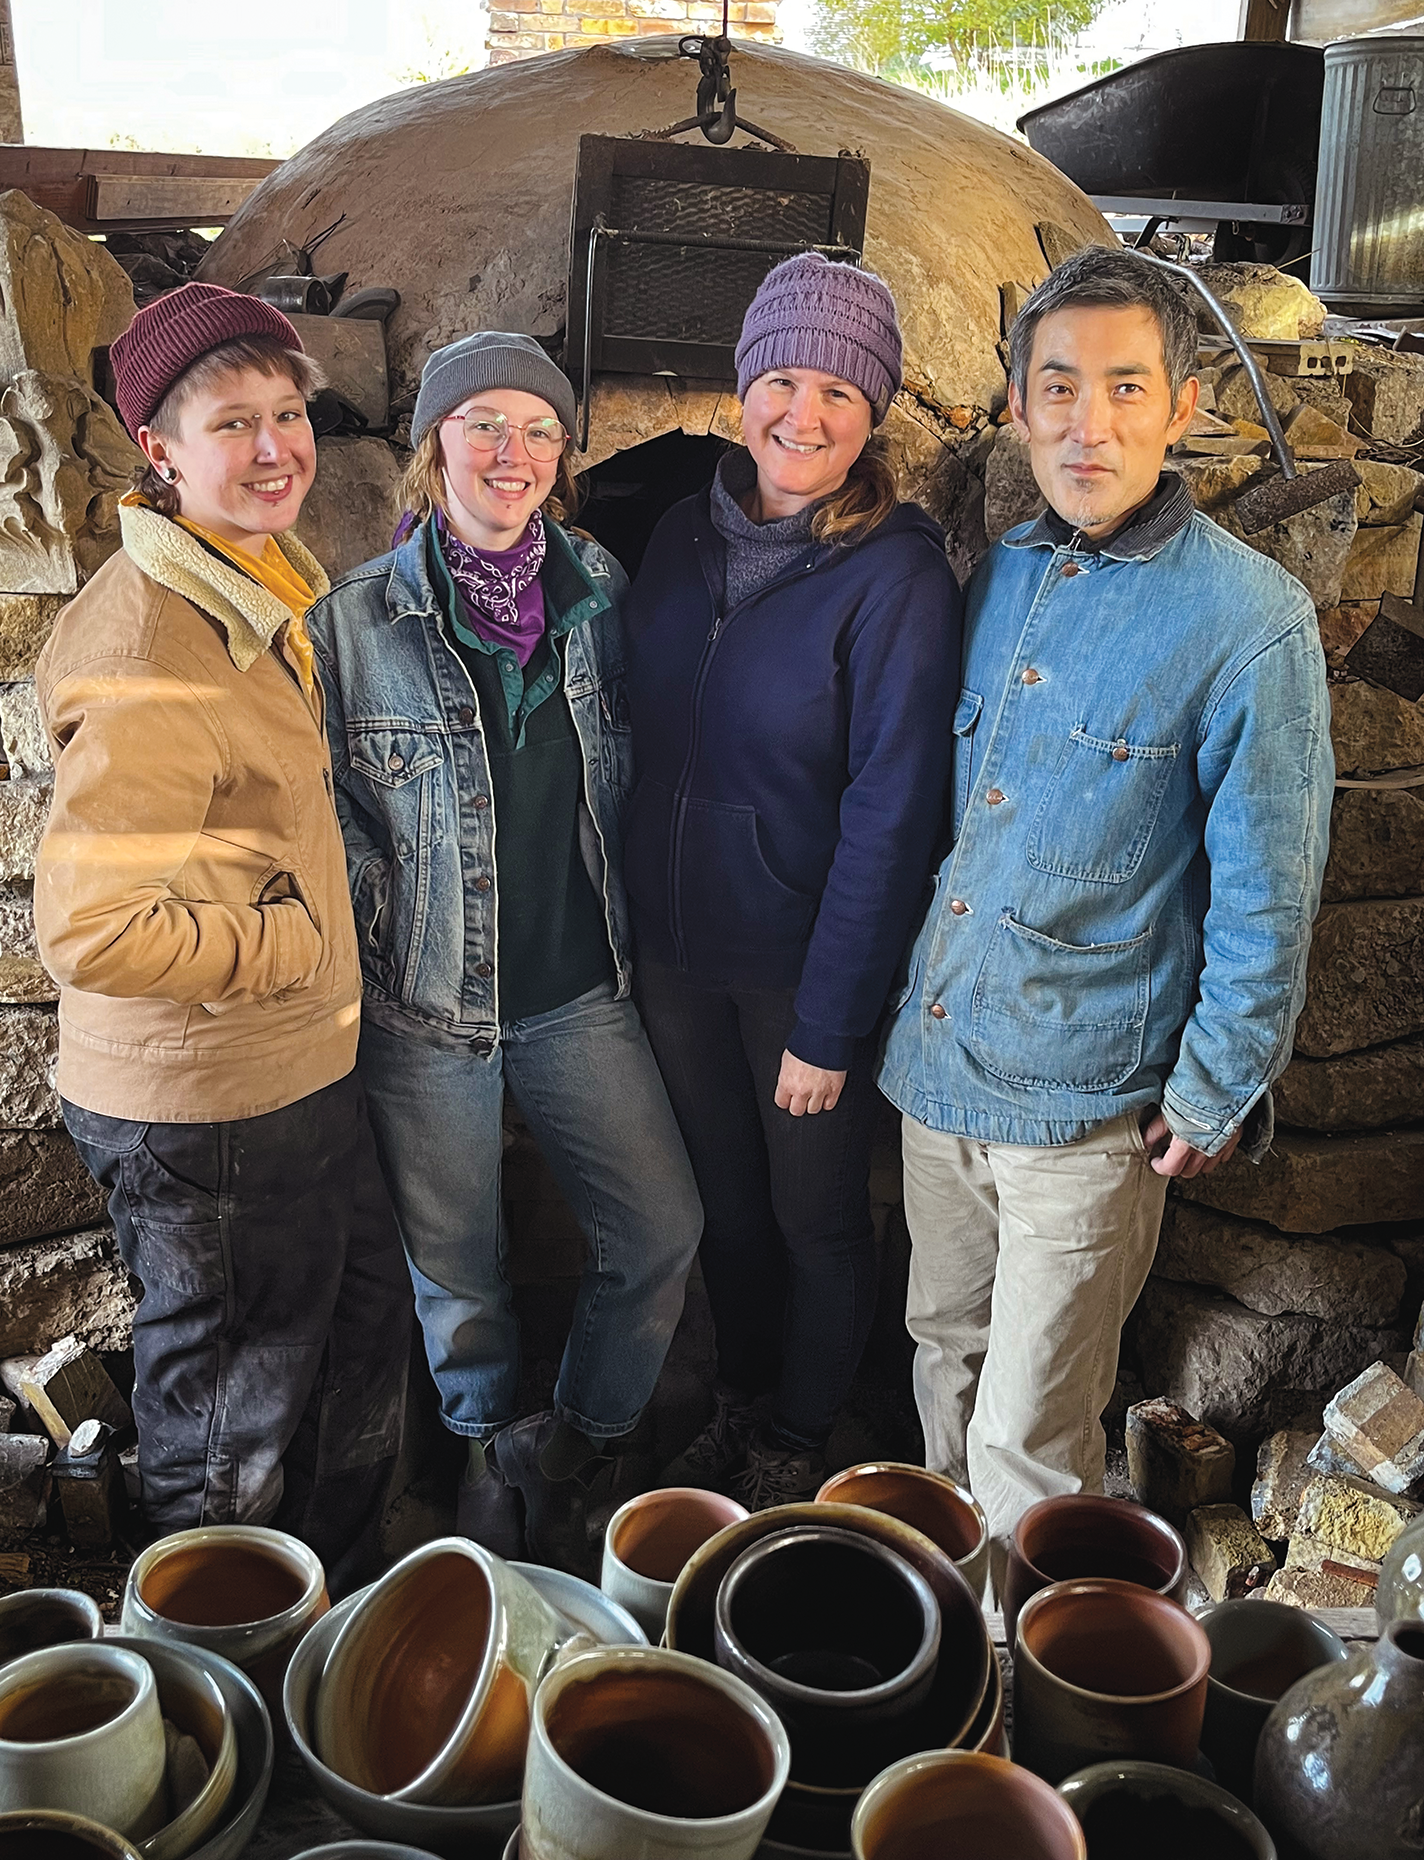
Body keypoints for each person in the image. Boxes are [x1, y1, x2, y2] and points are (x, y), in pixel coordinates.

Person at [878, 244, 1334, 1566]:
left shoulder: (1251, 621)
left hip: (1086, 1107)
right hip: (942, 1065)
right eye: (1060, 387)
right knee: (941, 1365)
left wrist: (1215, 1087)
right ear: (1017, 408)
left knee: (1031, 1434)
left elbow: (1268, 890)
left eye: (1126, 387)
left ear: (1183, 407)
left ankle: (1023, 1703)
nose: (1092, 422)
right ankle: (941, 1651)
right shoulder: (1003, 575)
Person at [33, 284, 411, 1591]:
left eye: (288, 414)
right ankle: (215, 1685)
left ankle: (339, 1615)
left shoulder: (245, 586)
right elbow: (91, 926)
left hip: (292, 1079)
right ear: (161, 448)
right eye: (231, 421)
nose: (273, 448)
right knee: (228, 1433)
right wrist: (290, 944)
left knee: (357, 1335)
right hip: (213, 1111)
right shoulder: (154, 640)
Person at [307, 330, 703, 1575]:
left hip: (579, 994)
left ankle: (576, 1442)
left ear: (564, 458)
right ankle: (483, 1453)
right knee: (460, 1279)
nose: (510, 452)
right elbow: (328, 818)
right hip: (425, 1009)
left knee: (658, 1232)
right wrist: (383, 933)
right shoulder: (351, 623)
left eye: (538, 430)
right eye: (481, 423)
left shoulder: (600, 592)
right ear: (433, 446)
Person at [624, 253, 963, 1508]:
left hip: (797, 971)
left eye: (834, 386)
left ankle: (800, 1434)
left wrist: (828, 1024)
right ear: (739, 389)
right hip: (670, 957)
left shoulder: (898, 578)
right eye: (778, 377)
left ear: (871, 410)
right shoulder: (673, 536)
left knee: (816, 1220)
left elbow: (891, 816)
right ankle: (740, 1400)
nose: (800, 412)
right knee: (726, 1209)